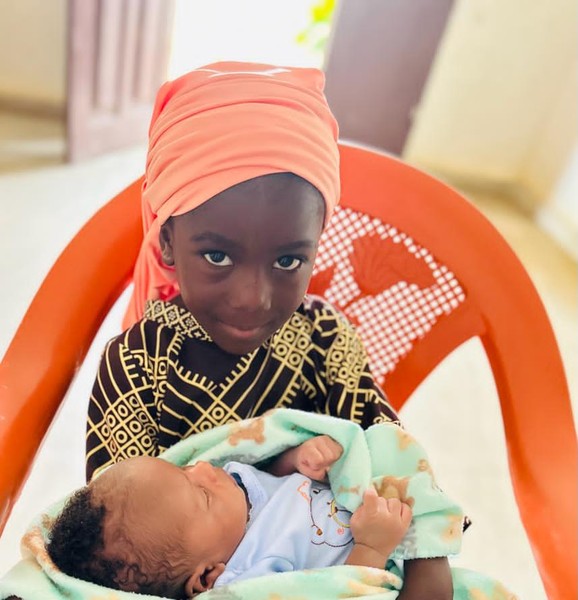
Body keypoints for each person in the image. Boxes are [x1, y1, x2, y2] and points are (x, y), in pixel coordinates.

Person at [85, 62, 452, 598]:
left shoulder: (325, 341)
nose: (252, 298)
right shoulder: (138, 366)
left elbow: (388, 453)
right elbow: (119, 554)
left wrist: (428, 558)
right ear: (166, 242)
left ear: (315, 246)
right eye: (217, 255)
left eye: (287, 261)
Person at [48, 436, 413, 598]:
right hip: (386, 554)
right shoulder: (250, 580)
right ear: (208, 576)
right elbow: (339, 594)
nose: (205, 468)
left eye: (185, 469)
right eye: (203, 496)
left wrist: (298, 458)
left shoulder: (234, 488)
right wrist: (371, 548)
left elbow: (272, 478)